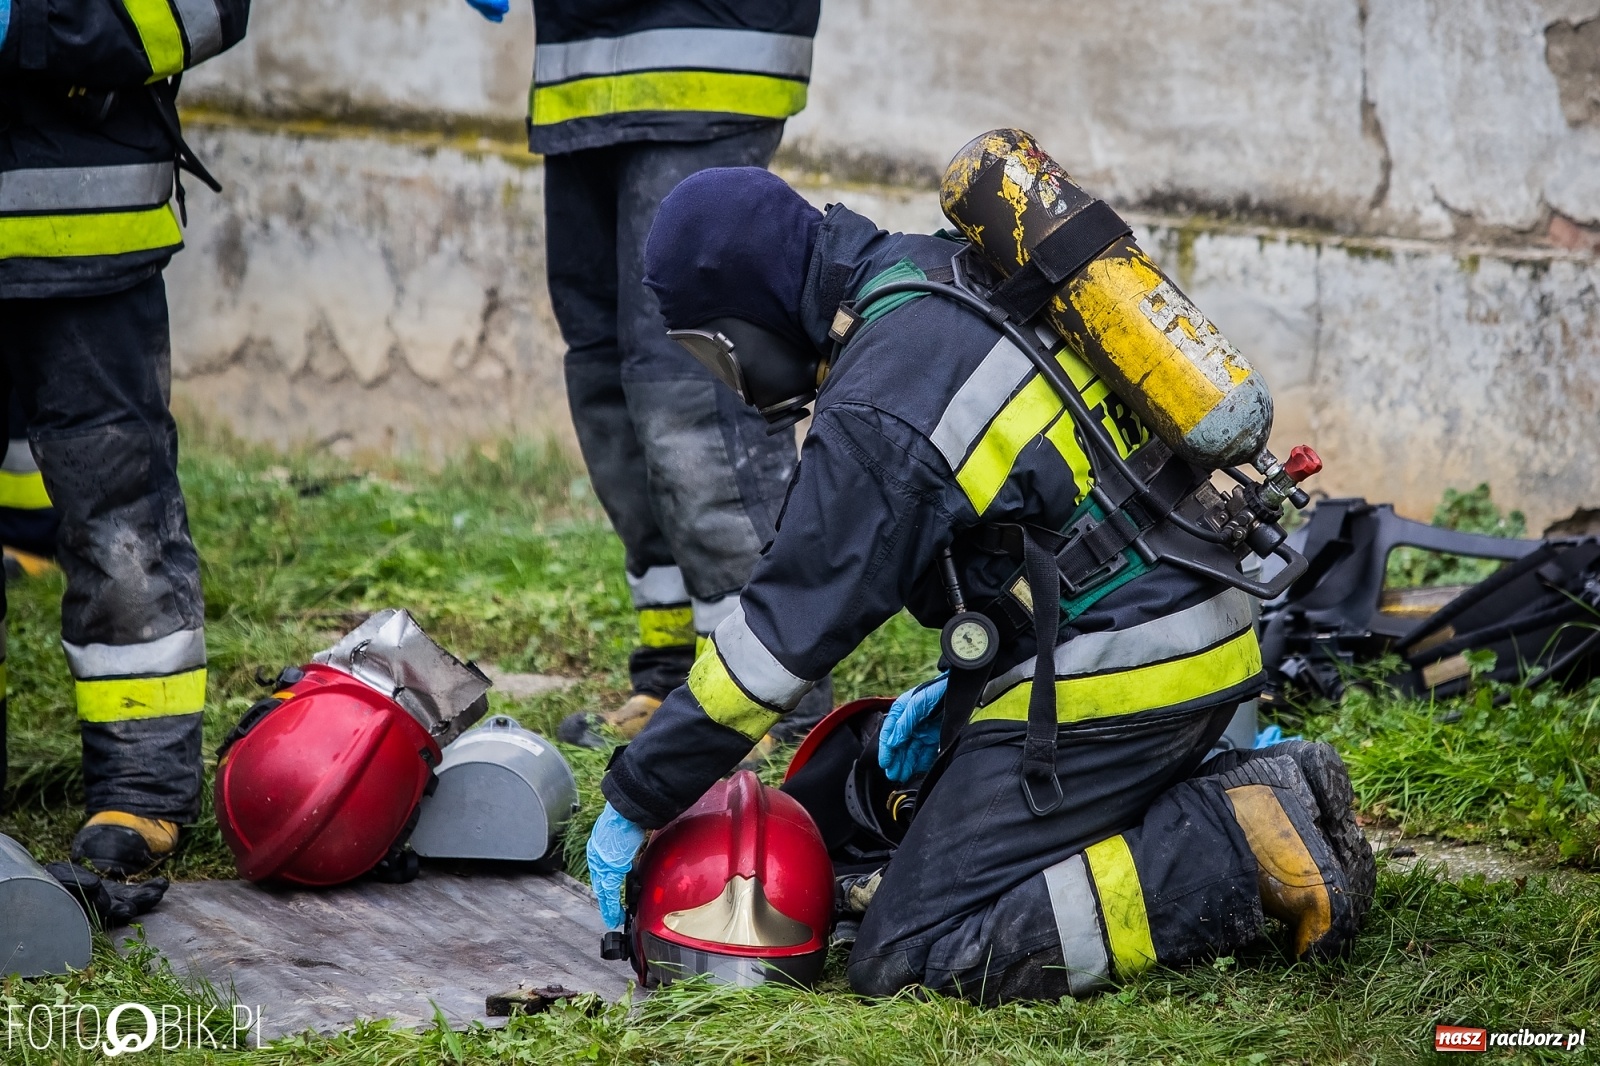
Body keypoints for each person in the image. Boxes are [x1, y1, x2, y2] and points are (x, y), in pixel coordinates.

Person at [585, 166, 1376, 1002]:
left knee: (914, 953)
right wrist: (963, 690)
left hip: (1124, 672)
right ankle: (1231, 792)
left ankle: (1233, 842)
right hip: (1174, 625)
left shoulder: (883, 399)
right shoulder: (930, 275)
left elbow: (778, 640)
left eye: (715, 352)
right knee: (854, 822)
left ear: (747, 319)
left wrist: (638, 796)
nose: (731, 380)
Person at [461, 0, 832, 750]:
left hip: (704, 50)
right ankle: (672, 672)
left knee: (688, 381)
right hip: (583, 67)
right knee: (606, 374)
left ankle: (771, 697)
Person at [0, 0, 251, 875]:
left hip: (95, 245)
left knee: (123, 528)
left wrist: (27, 25)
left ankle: (140, 790)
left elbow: (203, 11)